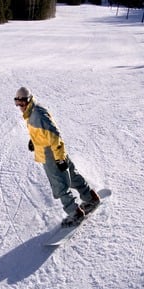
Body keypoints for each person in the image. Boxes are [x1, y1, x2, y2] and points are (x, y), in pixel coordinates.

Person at [14, 86, 100, 227]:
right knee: (71, 176)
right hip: (55, 151)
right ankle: (91, 198)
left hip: (51, 154)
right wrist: (34, 141)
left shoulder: (37, 116)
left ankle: (75, 213)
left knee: (59, 186)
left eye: (22, 104)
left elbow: (55, 136)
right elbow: (43, 133)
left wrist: (59, 158)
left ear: (28, 100)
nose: (20, 107)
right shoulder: (33, 111)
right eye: (18, 104)